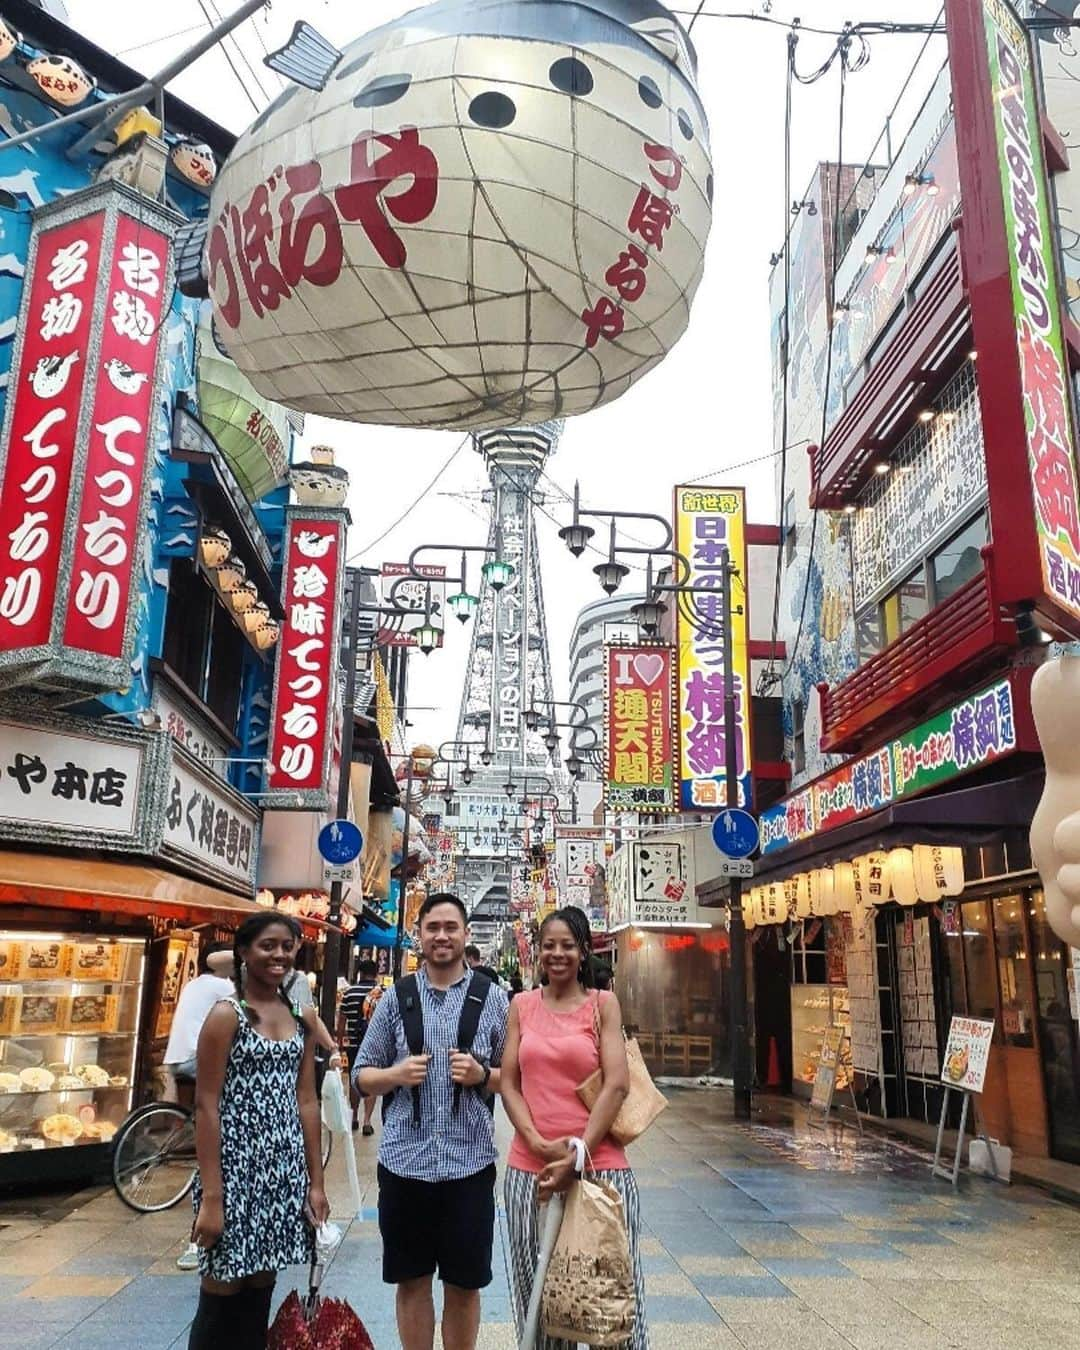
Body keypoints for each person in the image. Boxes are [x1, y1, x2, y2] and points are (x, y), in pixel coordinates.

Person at [356, 894, 509, 1350]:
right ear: (419, 934)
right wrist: (395, 1075)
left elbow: (517, 1079)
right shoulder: (394, 999)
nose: (441, 936)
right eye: (433, 927)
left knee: (465, 1285)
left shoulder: (495, 999)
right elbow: (361, 1075)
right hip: (405, 1165)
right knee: (412, 1281)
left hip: (470, 1166)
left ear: (465, 934)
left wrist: (484, 1075)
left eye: (451, 927)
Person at [500, 907, 648, 1350]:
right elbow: (508, 1081)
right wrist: (533, 1139)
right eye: (549, 945)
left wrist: (578, 1154)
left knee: (612, 1304)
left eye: (568, 945)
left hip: (601, 1170)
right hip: (532, 1172)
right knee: (541, 1302)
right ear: (539, 952)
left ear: (584, 952)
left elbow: (617, 1083)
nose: (557, 953)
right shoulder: (521, 1006)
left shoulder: (603, 1005)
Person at [187, 912, 330, 1350]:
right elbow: (206, 1105)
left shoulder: (301, 1015)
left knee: (260, 1289)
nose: (280, 955)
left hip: (281, 1173)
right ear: (245, 953)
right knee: (221, 1292)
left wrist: (316, 1184)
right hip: (234, 1172)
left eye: (287, 946)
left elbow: (307, 1099)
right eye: (268, 946)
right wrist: (213, 1197)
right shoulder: (226, 1016)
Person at [163, 944, 234, 1103]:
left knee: (189, 1111)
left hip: (175, 1060)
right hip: (193, 1060)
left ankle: (184, 1124)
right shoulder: (223, 985)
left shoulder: (192, 984)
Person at [337, 958, 380, 1134]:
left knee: (355, 1080)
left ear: (360, 973)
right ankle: (367, 1121)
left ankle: (353, 1116)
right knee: (373, 1081)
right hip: (375, 1044)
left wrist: (339, 1043)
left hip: (354, 1043)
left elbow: (341, 1022)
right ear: (376, 973)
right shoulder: (381, 993)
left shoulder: (349, 993)